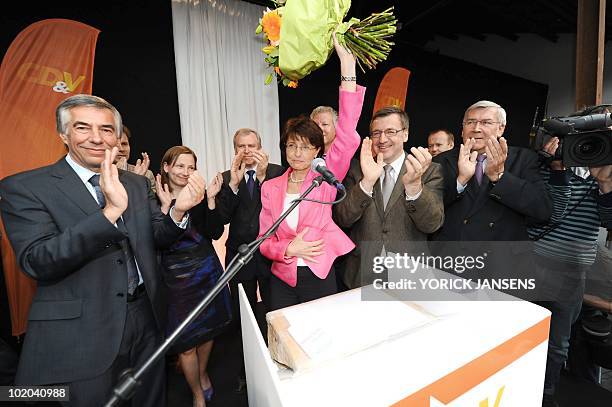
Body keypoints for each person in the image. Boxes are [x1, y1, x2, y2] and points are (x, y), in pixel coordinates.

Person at [0, 94, 203, 406]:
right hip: (82, 334)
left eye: (107, 130)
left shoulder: (134, 184)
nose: (96, 138)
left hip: (145, 319)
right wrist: (108, 213)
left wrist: (178, 212)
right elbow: (37, 261)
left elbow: (157, 236)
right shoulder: (25, 188)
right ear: (63, 134)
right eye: (83, 128)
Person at [258, 34, 365, 310]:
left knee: (321, 341)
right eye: (291, 146)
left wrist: (347, 68)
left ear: (317, 151)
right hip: (283, 277)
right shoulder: (270, 187)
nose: (297, 153)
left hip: (319, 273)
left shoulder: (324, 179)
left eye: (305, 147)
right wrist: (286, 250)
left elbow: (347, 129)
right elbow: (263, 240)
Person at [526, 117, 612, 406]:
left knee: (557, 345)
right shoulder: (541, 166)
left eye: (592, 141)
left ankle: (545, 396)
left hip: (572, 272)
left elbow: (609, 221)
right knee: (523, 333)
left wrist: (605, 184)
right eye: (577, 139)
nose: (583, 147)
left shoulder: (605, 174)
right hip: (533, 263)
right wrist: (556, 169)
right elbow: (550, 212)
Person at [334, 106, 445, 289]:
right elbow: (343, 219)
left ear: (405, 134)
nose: (382, 139)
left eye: (391, 132)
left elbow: (432, 224)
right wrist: (367, 182)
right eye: (376, 133)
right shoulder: (357, 169)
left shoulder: (427, 170)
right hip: (361, 273)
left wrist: (414, 187)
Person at [156, 146, 232, 407]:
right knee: (186, 343)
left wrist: (210, 200)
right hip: (176, 281)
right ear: (166, 167)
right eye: (179, 166)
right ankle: (197, 394)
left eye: (191, 167)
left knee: (207, 331)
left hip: (206, 271)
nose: (185, 172)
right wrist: (168, 209)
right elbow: (157, 240)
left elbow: (214, 232)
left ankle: (201, 373)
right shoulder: (154, 197)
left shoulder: (198, 196)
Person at [216, 128, 284, 392]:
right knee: (241, 312)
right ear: (235, 150)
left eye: (252, 145)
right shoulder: (226, 177)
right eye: (241, 146)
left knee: (274, 306)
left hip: (271, 251)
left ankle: (277, 360)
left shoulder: (278, 172)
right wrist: (232, 185)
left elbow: (277, 208)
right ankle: (245, 370)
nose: (247, 150)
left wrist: (265, 177)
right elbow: (221, 219)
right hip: (239, 252)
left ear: (261, 146)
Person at [116, 124, 156, 191]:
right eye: (116, 145)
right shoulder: (98, 174)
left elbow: (149, 201)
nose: (121, 149)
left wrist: (137, 180)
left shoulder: (147, 174)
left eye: (124, 144)